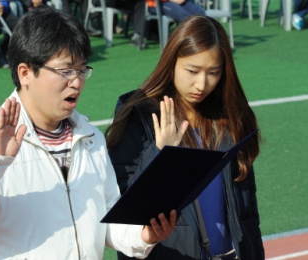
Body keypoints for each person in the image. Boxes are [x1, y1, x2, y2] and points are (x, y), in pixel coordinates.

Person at [0, 6, 177, 259]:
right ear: (25, 73)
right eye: (65, 70)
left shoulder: (91, 138)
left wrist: (143, 235)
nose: (77, 81)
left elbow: (107, 219)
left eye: (82, 70)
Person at [105, 15, 264, 259]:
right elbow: (123, 207)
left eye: (214, 72)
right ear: (171, 62)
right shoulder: (139, 115)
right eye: (192, 70)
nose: (202, 83)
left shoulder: (232, 116)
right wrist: (160, 153)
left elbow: (248, 211)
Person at [135, 0, 205, 24]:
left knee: (201, 14)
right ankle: (191, 43)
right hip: (159, 2)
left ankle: (207, 41)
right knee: (185, 16)